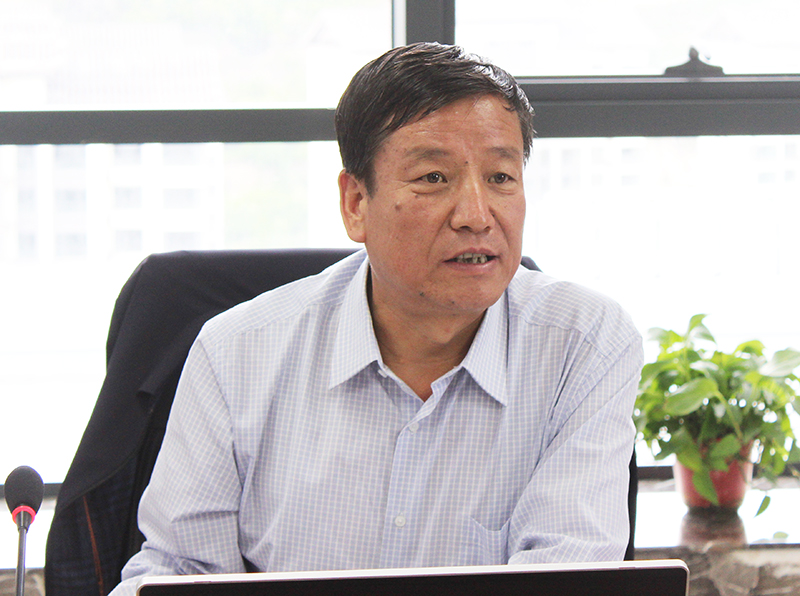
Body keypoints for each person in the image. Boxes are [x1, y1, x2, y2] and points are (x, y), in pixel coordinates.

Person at [109, 42, 643, 596]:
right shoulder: (234, 354)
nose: (476, 216)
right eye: (433, 178)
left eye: (501, 177)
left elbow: (565, 576)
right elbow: (180, 574)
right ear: (356, 203)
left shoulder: (583, 344)